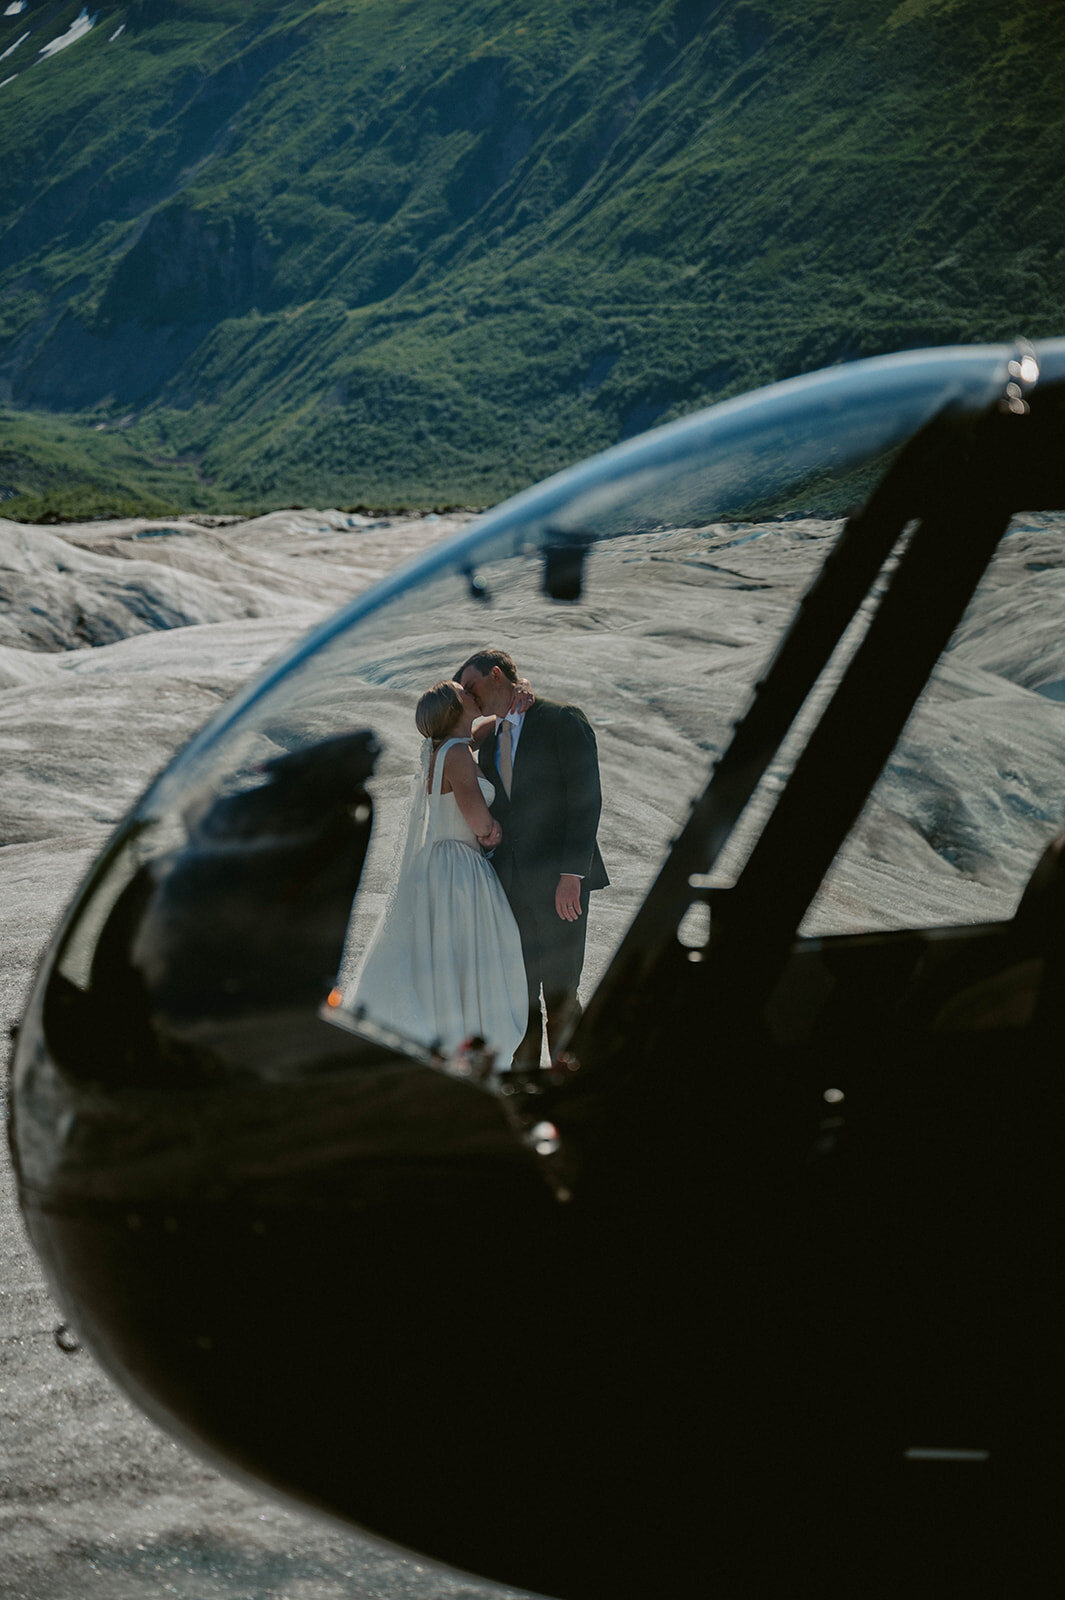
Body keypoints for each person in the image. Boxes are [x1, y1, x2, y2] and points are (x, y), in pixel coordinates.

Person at [346, 680, 527, 1064]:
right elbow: (475, 812)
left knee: (445, 951)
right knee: (469, 952)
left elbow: (475, 734)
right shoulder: (458, 754)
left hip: (440, 861)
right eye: (465, 693)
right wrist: (491, 832)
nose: (471, 694)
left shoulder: (442, 748)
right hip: (461, 864)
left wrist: (505, 710)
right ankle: (466, 1037)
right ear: (453, 709)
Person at [456, 648, 608, 1068]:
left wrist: (571, 874)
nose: (470, 697)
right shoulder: (487, 742)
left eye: (473, 687)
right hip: (510, 888)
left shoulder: (562, 720)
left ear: (497, 675)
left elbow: (586, 799)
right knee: (518, 996)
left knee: (560, 992)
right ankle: (523, 1086)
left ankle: (570, 1083)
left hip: (563, 886)